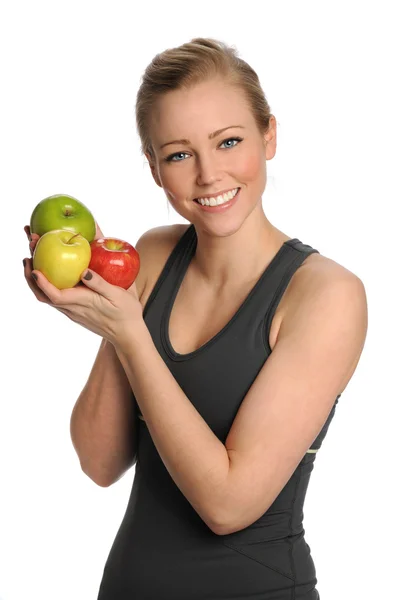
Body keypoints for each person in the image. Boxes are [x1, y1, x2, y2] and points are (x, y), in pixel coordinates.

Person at [23, 37, 368, 599]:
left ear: (269, 137)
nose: (209, 174)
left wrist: (132, 334)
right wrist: (111, 308)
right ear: (155, 168)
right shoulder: (153, 255)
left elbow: (228, 506)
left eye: (229, 142)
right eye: (180, 154)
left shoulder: (326, 295)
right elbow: (98, 461)